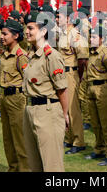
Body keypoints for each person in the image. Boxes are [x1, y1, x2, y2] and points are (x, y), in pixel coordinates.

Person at [22, 10, 69, 172]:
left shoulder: (52, 56)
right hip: (31, 110)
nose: (26, 32)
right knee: (34, 165)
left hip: (48, 111)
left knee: (52, 166)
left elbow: (62, 89)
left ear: (43, 31)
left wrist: (64, 115)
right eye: (26, 28)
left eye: (31, 28)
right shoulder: (33, 55)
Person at [85, 23, 107, 167]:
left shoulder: (106, 54)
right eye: (90, 36)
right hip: (91, 88)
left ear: (101, 38)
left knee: (106, 123)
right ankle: (99, 149)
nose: (91, 39)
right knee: (95, 122)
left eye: (94, 37)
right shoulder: (92, 53)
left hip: (104, 89)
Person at [0, 19, 30, 171]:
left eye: (5, 34)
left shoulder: (21, 56)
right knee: (8, 138)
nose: (2, 37)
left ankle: (25, 169)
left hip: (17, 99)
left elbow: (28, 79)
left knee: (20, 138)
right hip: (4, 97)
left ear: (16, 35)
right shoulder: (5, 54)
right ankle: (13, 168)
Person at [57, 6, 88, 155]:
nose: (57, 19)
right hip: (63, 73)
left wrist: (79, 76)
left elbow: (82, 59)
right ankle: (69, 138)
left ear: (68, 18)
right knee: (65, 108)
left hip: (71, 73)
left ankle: (78, 141)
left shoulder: (75, 35)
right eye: (57, 16)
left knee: (73, 108)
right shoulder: (63, 34)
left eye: (60, 16)